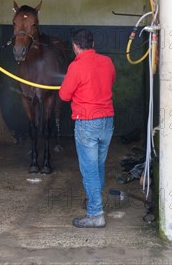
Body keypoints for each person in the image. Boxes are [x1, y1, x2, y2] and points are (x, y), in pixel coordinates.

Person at [59, 29, 116, 228]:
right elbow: (110, 82)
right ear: (92, 44)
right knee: (98, 166)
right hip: (107, 121)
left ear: (75, 46)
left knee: (89, 170)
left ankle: (95, 214)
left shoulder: (76, 67)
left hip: (87, 123)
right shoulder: (107, 62)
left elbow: (64, 96)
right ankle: (93, 201)